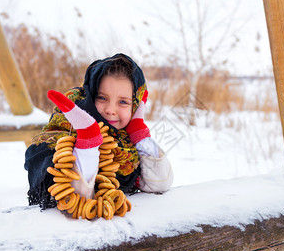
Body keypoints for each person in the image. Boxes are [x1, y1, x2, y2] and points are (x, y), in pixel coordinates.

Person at [24, 53, 173, 210]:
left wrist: (138, 131)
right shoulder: (66, 131)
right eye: (102, 98)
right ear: (90, 95)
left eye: (123, 102)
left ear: (134, 106)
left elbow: (161, 182)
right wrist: (88, 141)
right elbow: (72, 201)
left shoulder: (128, 145)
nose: (110, 110)